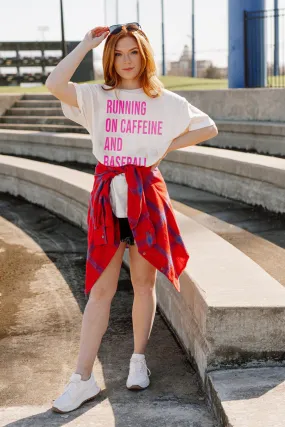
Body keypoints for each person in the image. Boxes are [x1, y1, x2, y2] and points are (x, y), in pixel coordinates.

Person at [46, 23, 218, 414]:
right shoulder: (96, 96)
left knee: (144, 284)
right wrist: (87, 44)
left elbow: (208, 126)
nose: (126, 60)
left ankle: (138, 360)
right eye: (119, 53)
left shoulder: (163, 99)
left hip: (146, 199)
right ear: (111, 57)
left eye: (133, 52)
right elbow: (55, 82)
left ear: (144, 55)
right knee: (100, 291)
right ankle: (82, 378)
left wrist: (162, 150)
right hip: (108, 200)